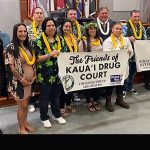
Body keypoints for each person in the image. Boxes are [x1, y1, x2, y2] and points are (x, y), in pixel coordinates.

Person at [34, 17, 66, 128]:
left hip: (58, 74)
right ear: (44, 27)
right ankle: (44, 117)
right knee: (44, 97)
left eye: (53, 25)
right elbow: (36, 59)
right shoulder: (38, 40)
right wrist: (50, 54)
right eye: (48, 25)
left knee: (56, 96)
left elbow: (65, 54)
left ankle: (56, 115)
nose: (51, 27)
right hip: (44, 75)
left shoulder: (60, 39)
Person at [5, 23, 36, 134]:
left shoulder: (28, 46)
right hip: (19, 82)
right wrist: (21, 79)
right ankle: (21, 128)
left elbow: (32, 62)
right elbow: (11, 67)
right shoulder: (11, 47)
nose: (23, 34)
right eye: (20, 31)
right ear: (15, 32)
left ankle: (25, 123)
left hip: (30, 81)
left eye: (24, 31)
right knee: (22, 106)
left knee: (26, 104)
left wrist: (34, 75)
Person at [103, 22, 133, 112]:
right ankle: (108, 102)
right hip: (112, 68)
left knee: (121, 84)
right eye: (117, 28)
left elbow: (131, 51)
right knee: (110, 85)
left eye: (120, 29)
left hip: (123, 67)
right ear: (112, 29)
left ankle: (119, 100)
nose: (119, 30)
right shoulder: (108, 41)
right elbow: (107, 55)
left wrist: (128, 53)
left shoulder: (126, 40)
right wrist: (121, 53)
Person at [122, 10, 148, 97]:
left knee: (133, 73)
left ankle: (130, 87)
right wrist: (128, 38)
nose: (137, 18)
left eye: (138, 17)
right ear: (131, 17)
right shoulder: (125, 27)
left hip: (138, 55)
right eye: (135, 16)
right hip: (128, 54)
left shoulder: (142, 27)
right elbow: (120, 38)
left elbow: (145, 39)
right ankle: (124, 89)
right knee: (126, 73)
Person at [78, 22, 102, 112]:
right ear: (87, 30)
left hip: (99, 67)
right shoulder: (83, 41)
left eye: (94, 29)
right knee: (89, 86)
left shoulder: (100, 40)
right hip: (88, 68)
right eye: (90, 29)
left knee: (98, 85)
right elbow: (79, 55)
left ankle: (95, 100)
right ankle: (89, 101)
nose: (93, 30)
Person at [26, 7, 45, 113]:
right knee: (32, 82)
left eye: (40, 13)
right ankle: (31, 103)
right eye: (37, 13)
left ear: (43, 15)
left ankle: (44, 101)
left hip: (44, 59)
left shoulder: (46, 28)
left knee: (43, 81)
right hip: (31, 60)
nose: (39, 15)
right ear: (33, 15)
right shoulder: (27, 29)